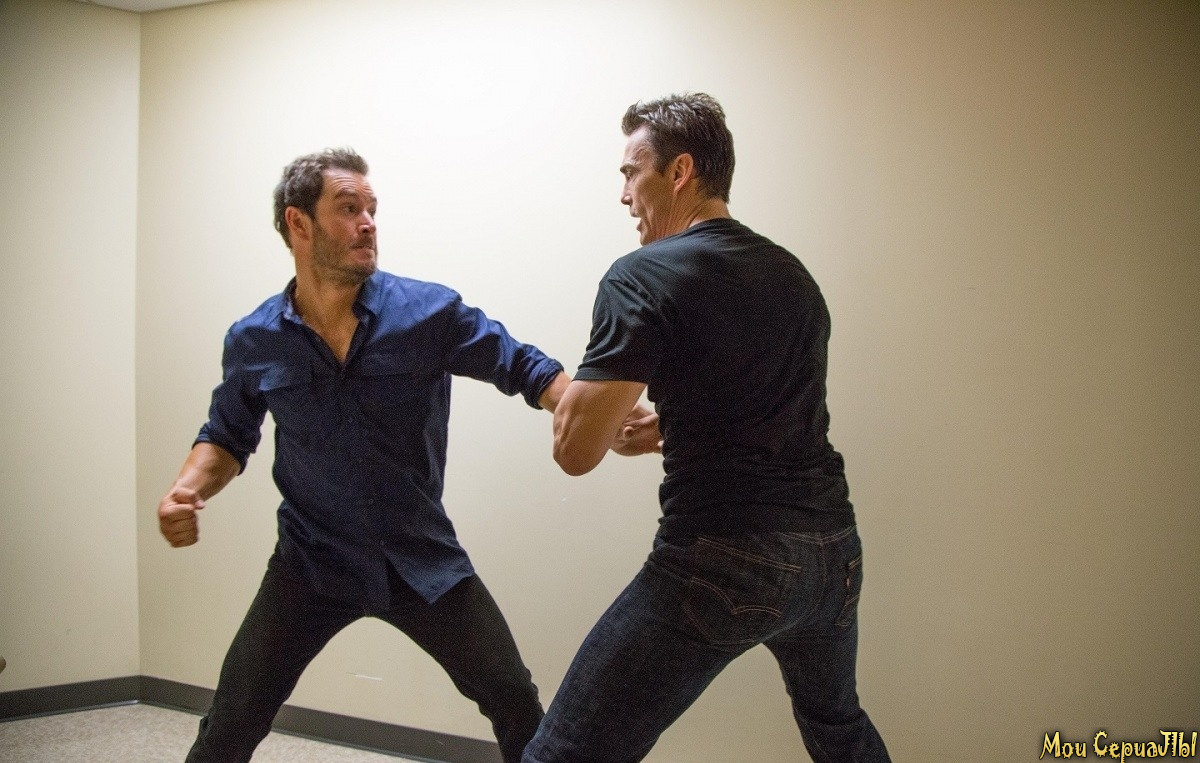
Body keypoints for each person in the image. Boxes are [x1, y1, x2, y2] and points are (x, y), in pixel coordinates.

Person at [157, 147, 569, 763]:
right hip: (309, 562)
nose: (369, 223)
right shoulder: (255, 339)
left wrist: (587, 411)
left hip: (419, 558)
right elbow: (226, 436)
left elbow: (522, 365)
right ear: (299, 223)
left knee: (513, 699)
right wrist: (185, 489)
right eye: (349, 209)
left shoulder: (427, 312)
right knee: (232, 721)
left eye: (372, 209)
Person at [523, 94, 890, 762]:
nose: (624, 196)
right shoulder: (794, 277)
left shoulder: (641, 275)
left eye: (631, 173)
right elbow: (769, 413)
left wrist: (573, 401)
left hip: (724, 554)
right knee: (838, 726)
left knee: (565, 751)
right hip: (832, 554)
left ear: (680, 171)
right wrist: (670, 426)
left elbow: (574, 452)